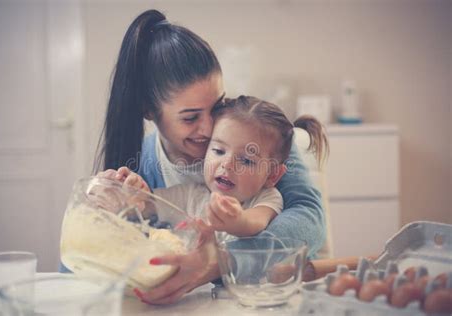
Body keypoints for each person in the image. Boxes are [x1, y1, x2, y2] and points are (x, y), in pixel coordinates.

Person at [91, 9, 326, 304]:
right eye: (190, 118)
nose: (208, 126)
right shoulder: (145, 164)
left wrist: (223, 261)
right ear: (149, 111)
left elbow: (309, 218)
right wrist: (118, 205)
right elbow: (149, 212)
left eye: (216, 106)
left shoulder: (260, 139)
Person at [116, 96, 327, 242]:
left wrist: (237, 221)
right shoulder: (191, 193)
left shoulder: (266, 198)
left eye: (246, 160)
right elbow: (150, 205)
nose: (226, 164)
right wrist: (134, 191)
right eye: (218, 151)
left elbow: (255, 220)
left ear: (271, 175)